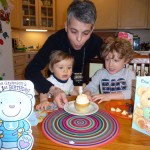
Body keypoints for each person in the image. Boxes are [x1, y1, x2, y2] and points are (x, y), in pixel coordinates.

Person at [25, 0, 103, 108]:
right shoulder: (55, 40)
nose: (79, 39)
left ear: (92, 29)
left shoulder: (96, 42)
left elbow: (114, 58)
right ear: (66, 26)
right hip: (55, 90)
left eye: (85, 33)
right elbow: (31, 70)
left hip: (79, 90)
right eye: (73, 31)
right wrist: (53, 90)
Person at [83, 37, 136, 103]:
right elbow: (90, 86)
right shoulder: (100, 73)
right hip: (105, 107)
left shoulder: (129, 74)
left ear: (126, 60)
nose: (110, 65)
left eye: (116, 60)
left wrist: (108, 96)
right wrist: (87, 92)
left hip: (124, 107)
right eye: (107, 60)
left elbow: (131, 92)